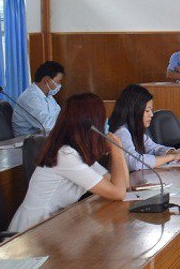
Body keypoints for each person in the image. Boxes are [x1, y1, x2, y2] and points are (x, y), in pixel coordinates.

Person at [8, 93, 130, 232]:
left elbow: (123, 187)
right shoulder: (65, 155)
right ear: (91, 125)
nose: (106, 124)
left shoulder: (79, 152)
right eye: (102, 119)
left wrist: (118, 149)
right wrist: (116, 150)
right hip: (30, 233)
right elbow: (118, 193)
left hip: (53, 228)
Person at [107, 85, 180, 171]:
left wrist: (175, 153)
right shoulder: (121, 132)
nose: (151, 115)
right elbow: (134, 163)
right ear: (134, 111)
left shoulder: (133, 129)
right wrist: (171, 157)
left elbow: (153, 148)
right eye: (147, 110)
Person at [13, 61, 65, 136]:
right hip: (26, 140)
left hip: (45, 136)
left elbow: (59, 115)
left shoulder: (48, 96)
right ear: (47, 80)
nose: (60, 85)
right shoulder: (29, 98)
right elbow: (47, 125)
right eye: (58, 81)